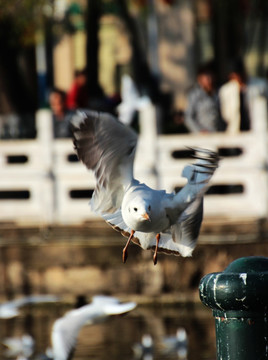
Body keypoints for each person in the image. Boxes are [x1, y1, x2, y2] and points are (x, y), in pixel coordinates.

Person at [184, 63, 223, 133]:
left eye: (211, 76)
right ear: (200, 79)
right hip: (202, 137)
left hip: (218, 134)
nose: (209, 80)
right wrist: (199, 131)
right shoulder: (194, 95)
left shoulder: (218, 93)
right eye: (206, 77)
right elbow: (188, 117)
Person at [218, 59, 250, 134]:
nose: (238, 77)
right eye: (235, 75)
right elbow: (225, 114)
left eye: (239, 74)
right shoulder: (226, 90)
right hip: (234, 130)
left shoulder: (259, 86)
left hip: (255, 128)